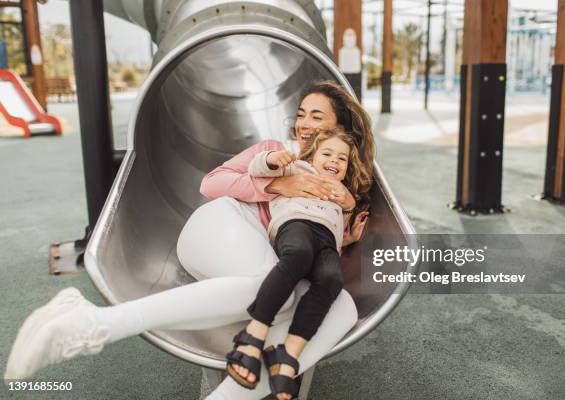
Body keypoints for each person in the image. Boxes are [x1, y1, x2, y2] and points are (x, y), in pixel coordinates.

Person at [4, 80, 374, 400]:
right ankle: (95, 324)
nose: (305, 124)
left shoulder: (340, 182)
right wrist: (278, 183)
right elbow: (211, 183)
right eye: (302, 113)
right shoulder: (276, 151)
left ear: (337, 129)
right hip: (221, 224)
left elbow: (316, 245)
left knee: (341, 306)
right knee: (276, 291)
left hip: (266, 254)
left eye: (317, 116)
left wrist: (343, 235)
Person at [225, 130, 370, 399]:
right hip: (295, 226)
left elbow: (337, 227)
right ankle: (252, 337)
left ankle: (287, 354)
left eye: (342, 159)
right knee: (299, 255)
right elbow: (259, 168)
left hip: (326, 241)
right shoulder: (297, 169)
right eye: (327, 154)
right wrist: (272, 159)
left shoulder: (342, 192)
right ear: (312, 156)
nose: (334, 161)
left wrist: (349, 234)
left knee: (331, 280)